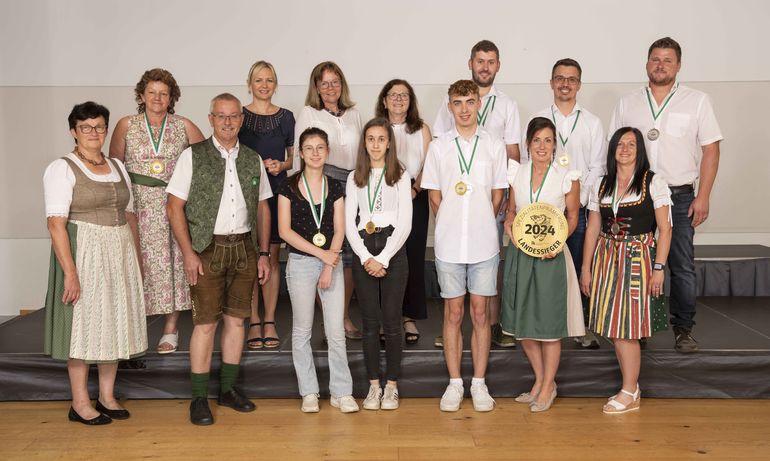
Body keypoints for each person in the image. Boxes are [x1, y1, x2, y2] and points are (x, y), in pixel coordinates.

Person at [608, 37, 723, 353]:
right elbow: (614, 149)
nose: (660, 65)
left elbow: (711, 150)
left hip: (680, 196)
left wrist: (704, 196)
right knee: (637, 262)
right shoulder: (627, 103)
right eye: (655, 59)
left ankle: (683, 328)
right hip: (637, 195)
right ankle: (638, 326)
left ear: (678, 66)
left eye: (667, 60)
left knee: (681, 264)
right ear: (647, 63)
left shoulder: (697, 101)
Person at [166, 93, 272, 425]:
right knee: (206, 323)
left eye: (234, 116)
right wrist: (188, 252)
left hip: (244, 248)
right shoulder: (192, 156)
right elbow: (174, 206)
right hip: (206, 249)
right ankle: (199, 398)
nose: (227, 122)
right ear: (211, 119)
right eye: (221, 116)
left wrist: (264, 253)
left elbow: (262, 207)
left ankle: (227, 390)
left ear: (242, 119)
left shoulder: (252, 158)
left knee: (237, 320)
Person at [44, 101, 148, 425]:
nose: (93, 132)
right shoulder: (61, 168)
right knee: (83, 328)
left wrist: (136, 259)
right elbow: (55, 223)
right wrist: (70, 273)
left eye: (99, 126)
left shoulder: (117, 166)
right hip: (84, 249)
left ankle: (106, 395)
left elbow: (129, 215)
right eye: (86, 127)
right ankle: (80, 403)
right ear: (73, 132)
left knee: (114, 323)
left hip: (118, 250)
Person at [421, 80, 508, 412]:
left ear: (478, 105)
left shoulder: (494, 145)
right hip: (449, 243)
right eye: (457, 102)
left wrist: (483, 218)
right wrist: (449, 221)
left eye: (470, 101)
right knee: (454, 312)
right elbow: (434, 194)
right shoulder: (440, 146)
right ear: (449, 106)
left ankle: (480, 383)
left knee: (480, 312)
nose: (464, 108)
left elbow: (498, 193)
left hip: (485, 242)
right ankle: (455, 383)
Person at [433, 40, 521, 349]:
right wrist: (447, 215)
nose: (485, 66)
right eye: (480, 61)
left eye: (491, 61)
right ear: (471, 63)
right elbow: (440, 152)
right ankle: (452, 326)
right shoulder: (454, 99)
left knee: (489, 262)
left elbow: (512, 152)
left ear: (498, 66)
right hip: (455, 206)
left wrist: (506, 199)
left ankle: (493, 325)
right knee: (456, 271)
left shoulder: (507, 104)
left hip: (490, 198)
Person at [110, 68, 205, 354]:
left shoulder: (184, 125)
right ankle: (133, 329)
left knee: (174, 265)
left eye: (163, 93)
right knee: (138, 265)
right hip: (136, 206)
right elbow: (115, 166)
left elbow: (206, 163)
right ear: (141, 95)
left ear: (172, 97)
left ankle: (170, 328)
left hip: (172, 206)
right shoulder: (127, 125)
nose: (157, 97)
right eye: (151, 92)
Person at [580, 127, 672, 414]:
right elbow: (593, 228)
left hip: (639, 258)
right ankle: (631, 387)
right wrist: (586, 268)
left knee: (627, 328)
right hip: (607, 257)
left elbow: (666, 229)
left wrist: (659, 268)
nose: (625, 148)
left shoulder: (652, 182)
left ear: (640, 149)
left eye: (631, 144)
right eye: (620, 144)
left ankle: (629, 390)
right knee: (613, 325)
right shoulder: (602, 184)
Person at [501, 117, 585, 413]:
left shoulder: (566, 176)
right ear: (527, 144)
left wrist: (557, 242)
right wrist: (510, 226)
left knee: (549, 326)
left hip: (551, 256)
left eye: (548, 140)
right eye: (537, 140)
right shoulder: (517, 174)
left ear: (554, 146)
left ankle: (549, 385)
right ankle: (540, 380)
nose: (542, 146)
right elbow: (511, 212)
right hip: (521, 254)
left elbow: (573, 217)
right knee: (523, 325)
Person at [526, 58, 606, 349]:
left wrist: (579, 197)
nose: (565, 84)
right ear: (551, 83)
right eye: (559, 78)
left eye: (571, 79)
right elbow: (530, 160)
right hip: (544, 210)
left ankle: (581, 326)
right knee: (545, 268)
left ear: (579, 85)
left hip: (579, 209)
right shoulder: (537, 117)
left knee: (577, 267)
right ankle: (545, 323)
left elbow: (598, 167)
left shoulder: (592, 123)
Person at [278, 127, 359, 414]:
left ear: (327, 151)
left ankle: (342, 391)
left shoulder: (336, 187)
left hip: (332, 262)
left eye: (320, 147)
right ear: (300, 153)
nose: (314, 153)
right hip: (301, 263)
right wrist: (320, 254)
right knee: (302, 330)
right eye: (309, 148)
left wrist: (328, 262)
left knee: (336, 330)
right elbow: (284, 231)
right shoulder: (288, 186)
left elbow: (340, 229)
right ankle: (309, 391)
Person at [346, 118, 412, 410]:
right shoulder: (354, 177)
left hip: (392, 250)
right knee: (370, 323)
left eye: (381, 139)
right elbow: (350, 222)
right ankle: (374, 386)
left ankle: (392, 386)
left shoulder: (400, 174)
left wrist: (383, 258)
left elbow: (406, 223)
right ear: (364, 143)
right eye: (370, 139)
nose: (375, 144)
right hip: (364, 251)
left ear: (389, 143)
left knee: (392, 322)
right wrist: (365, 257)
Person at [294, 61, 363, 339]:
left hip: (355, 182)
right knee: (323, 251)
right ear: (316, 87)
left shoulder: (355, 114)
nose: (331, 87)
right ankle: (327, 318)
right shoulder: (309, 113)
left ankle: (342, 315)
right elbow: (305, 154)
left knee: (348, 254)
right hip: (323, 182)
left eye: (335, 82)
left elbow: (363, 152)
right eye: (324, 83)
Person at [238, 60, 296, 350]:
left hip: (275, 191)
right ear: (250, 84)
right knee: (250, 261)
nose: (264, 85)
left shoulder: (286, 117)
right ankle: (253, 320)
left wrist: (278, 165)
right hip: (245, 194)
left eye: (269, 80)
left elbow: (291, 160)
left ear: (276, 84)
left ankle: (270, 319)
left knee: (272, 257)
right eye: (259, 80)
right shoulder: (239, 115)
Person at [375, 79, 432, 344]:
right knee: (385, 255)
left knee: (412, 255)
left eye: (404, 95)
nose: (399, 99)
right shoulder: (376, 128)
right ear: (384, 100)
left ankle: (408, 316)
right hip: (383, 196)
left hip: (413, 195)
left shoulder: (421, 129)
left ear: (411, 102)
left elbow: (428, 166)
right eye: (393, 95)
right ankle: (388, 317)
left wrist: (415, 190)